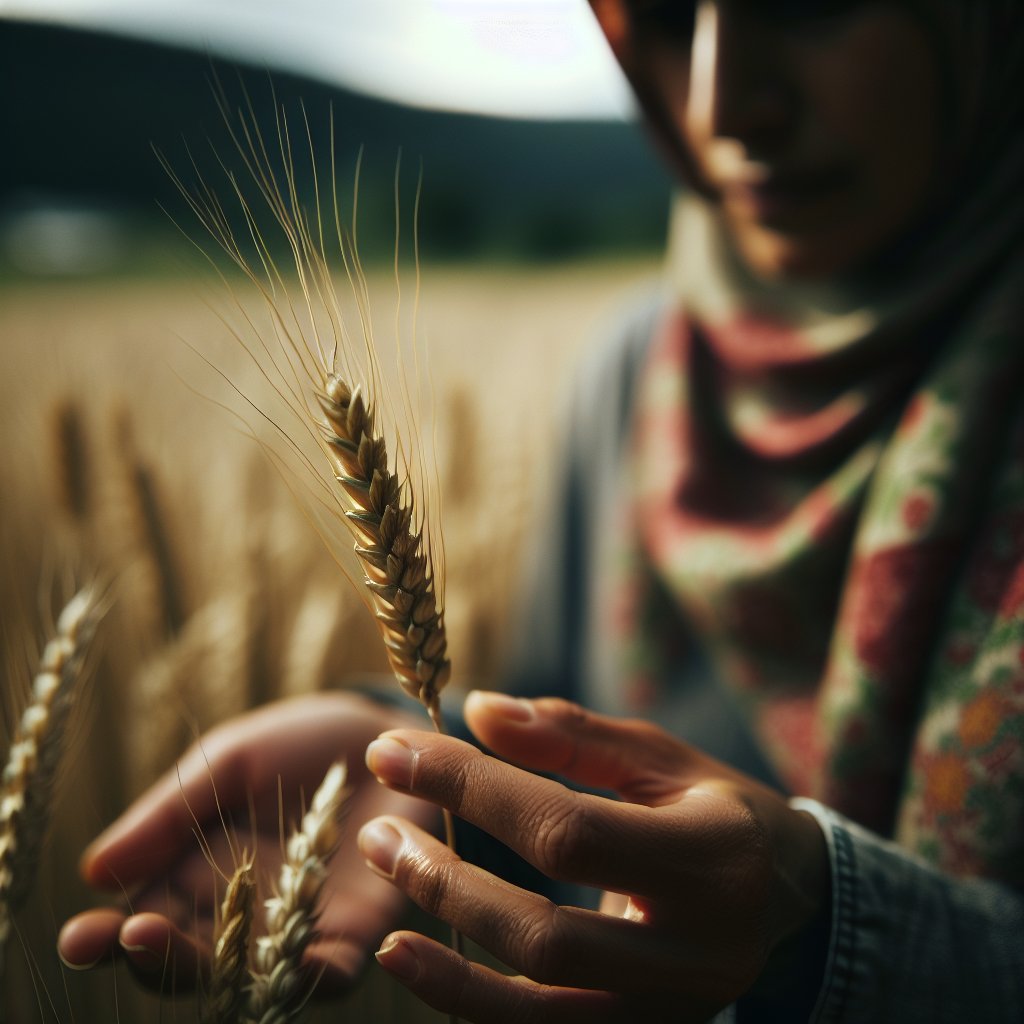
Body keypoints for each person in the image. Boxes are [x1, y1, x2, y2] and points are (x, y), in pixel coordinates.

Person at [58, 1, 1024, 1021]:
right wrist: (425, 771)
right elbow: (556, 733)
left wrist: (832, 927)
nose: (721, 101)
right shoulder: (634, 374)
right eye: (655, 16)